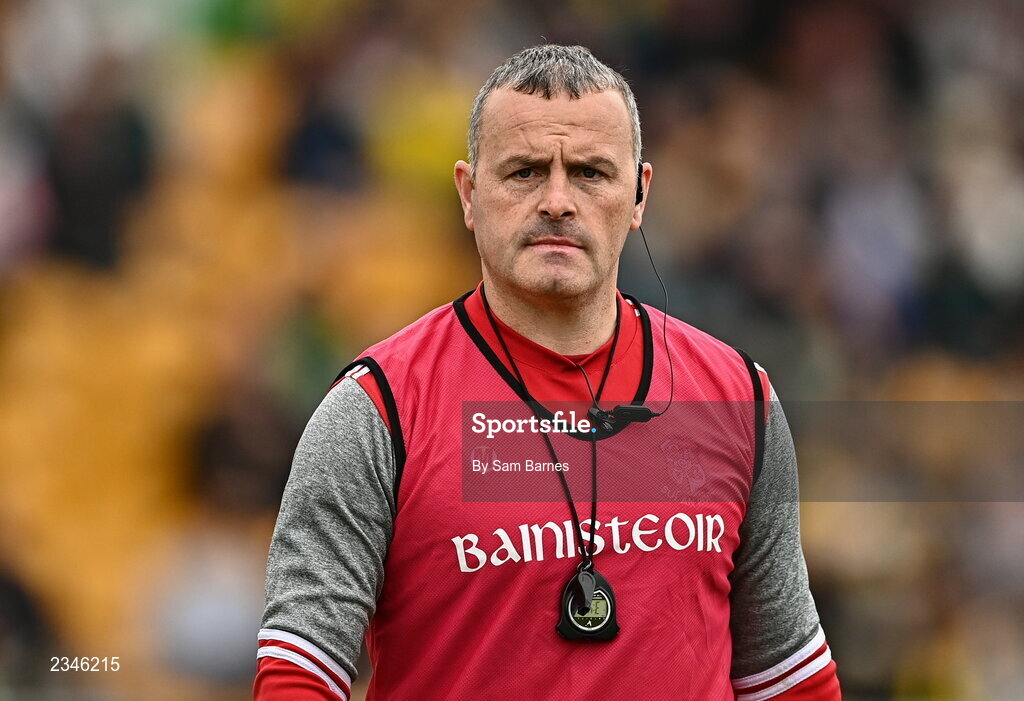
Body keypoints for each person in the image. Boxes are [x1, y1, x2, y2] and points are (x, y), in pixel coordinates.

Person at [254, 44, 842, 700]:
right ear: (470, 194)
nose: (558, 201)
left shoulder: (739, 399)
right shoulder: (378, 410)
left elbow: (790, 677)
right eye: (526, 172)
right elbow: (297, 676)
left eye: (590, 173)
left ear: (640, 193)